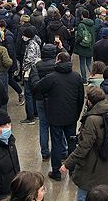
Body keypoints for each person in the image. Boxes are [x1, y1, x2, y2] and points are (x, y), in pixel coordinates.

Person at [34, 52, 85, 181]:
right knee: (72, 142)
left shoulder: (51, 77)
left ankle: (56, 171)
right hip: (71, 116)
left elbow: (37, 88)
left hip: (55, 117)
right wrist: (77, 114)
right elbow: (80, 98)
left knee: (56, 144)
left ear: (58, 61)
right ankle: (72, 170)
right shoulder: (77, 77)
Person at [61, 87, 108, 201]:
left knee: (83, 195)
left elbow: (83, 147)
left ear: (90, 101)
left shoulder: (92, 119)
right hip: (106, 163)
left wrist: (67, 164)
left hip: (91, 166)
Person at [28, 43, 58, 160]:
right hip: (55, 99)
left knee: (43, 125)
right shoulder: (57, 66)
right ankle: (63, 150)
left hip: (41, 99)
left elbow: (33, 84)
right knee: (57, 125)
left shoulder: (37, 66)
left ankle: (45, 152)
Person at [74, 9, 95, 83]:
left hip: (82, 46)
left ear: (82, 16)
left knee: (82, 63)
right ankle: (93, 77)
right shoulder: (92, 24)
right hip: (90, 45)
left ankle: (84, 79)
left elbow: (80, 36)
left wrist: (76, 42)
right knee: (89, 63)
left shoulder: (81, 24)